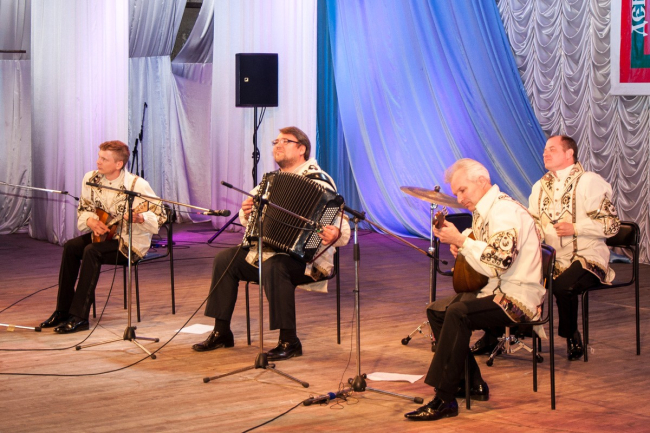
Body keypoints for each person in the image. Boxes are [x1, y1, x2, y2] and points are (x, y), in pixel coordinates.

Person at [192, 126, 350, 360]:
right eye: (275, 142)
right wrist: (246, 211)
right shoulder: (270, 182)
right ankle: (221, 332)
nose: (278, 145)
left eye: (285, 141)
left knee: (275, 266)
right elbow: (249, 219)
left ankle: (290, 341)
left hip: (307, 260)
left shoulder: (321, 181)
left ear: (302, 149)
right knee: (225, 259)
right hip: (268, 254)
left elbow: (339, 222)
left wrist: (334, 234)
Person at [405, 158, 544, 421]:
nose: (459, 198)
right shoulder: (485, 210)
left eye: (462, 190)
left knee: (458, 313)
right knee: (437, 311)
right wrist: (463, 244)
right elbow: (484, 250)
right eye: (457, 192)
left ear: (482, 181)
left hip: (516, 298)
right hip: (494, 289)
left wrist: (462, 241)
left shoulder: (504, 211)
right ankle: (471, 383)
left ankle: (444, 398)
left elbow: (500, 261)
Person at [39, 140, 166, 334]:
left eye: (104, 159)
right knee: (71, 247)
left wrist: (140, 218)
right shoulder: (91, 178)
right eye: (99, 157)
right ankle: (63, 310)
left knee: (92, 251)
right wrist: (91, 221)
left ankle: (80, 317)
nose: (98, 162)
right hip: (106, 236)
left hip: (130, 243)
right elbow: (85, 208)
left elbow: (161, 214)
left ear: (118, 164)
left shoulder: (136, 184)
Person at [528, 135, 619, 360]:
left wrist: (576, 228)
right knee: (512, 275)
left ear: (569, 154)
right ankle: (499, 335)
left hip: (587, 257)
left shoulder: (589, 181)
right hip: (554, 260)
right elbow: (534, 221)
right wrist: (534, 232)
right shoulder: (539, 186)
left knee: (563, 286)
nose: (545, 153)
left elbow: (611, 225)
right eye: (545, 150)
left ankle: (571, 335)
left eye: (552, 149)